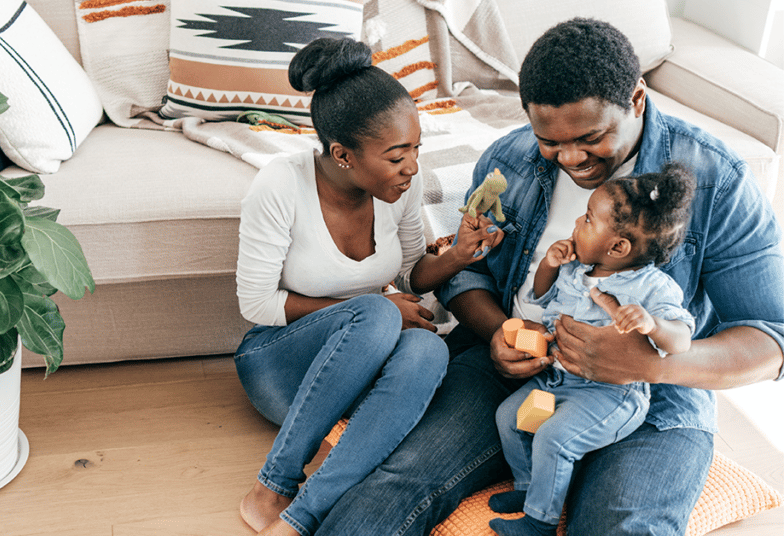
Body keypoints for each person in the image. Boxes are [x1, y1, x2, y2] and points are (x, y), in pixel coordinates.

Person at [317, 18, 784, 535]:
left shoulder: (716, 179)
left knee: (623, 525)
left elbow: (771, 337)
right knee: (400, 482)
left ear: (636, 99)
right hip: (511, 375)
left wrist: (651, 365)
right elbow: (465, 276)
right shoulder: (509, 161)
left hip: (653, 394)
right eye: (549, 141)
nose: (571, 159)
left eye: (590, 138)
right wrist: (497, 332)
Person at [233, 37, 504, 536]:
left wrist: (459, 256)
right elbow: (256, 302)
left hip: (355, 373)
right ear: (342, 155)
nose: (413, 167)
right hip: (279, 364)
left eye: (417, 149)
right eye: (397, 155)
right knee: (379, 312)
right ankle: (272, 485)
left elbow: (406, 275)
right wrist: (371, 308)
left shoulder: (398, 187)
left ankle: (301, 516)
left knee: (427, 349)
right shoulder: (279, 186)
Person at [490, 163, 697, 536]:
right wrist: (550, 266)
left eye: (587, 220)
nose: (576, 223)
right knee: (511, 418)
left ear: (618, 246)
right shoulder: (576, 269)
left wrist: (652, 324)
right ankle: (528, 490)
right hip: (557, 381)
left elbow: (681, 339)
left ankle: (540, 523)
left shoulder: (653, 288)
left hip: (610, 395)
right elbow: (542, 296)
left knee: (554, 438)